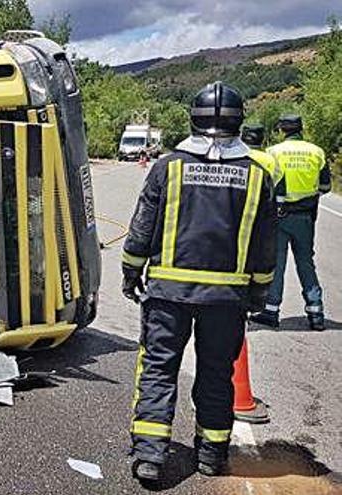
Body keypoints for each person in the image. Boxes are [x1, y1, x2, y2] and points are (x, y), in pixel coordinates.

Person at [121, 82, 277, 482]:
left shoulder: (168, 168)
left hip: (168, 296)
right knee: (215, 373)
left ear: (194, 118)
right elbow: (264, 246)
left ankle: (150, 456)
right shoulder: (258, 177)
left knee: (157, 368)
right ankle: (211, 455)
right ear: (240, 122)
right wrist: (259, 290)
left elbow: (141, 228)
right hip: (227, 300)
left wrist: (130, 270)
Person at [250, 115, 331, 331]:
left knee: (277, 263)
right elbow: (325, 187)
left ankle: (271, 310)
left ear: (281, 130)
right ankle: (316, 311)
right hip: (305, 217)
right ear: (301, 129)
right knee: (306, 262)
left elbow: (267, 186)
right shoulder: (317, 152)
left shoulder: (273, 152)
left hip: (279, 216)